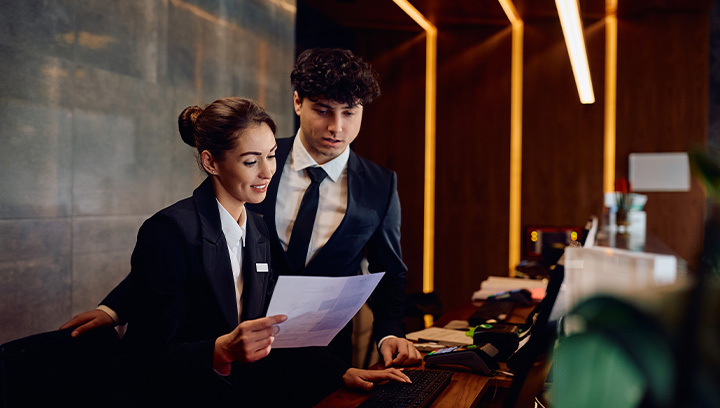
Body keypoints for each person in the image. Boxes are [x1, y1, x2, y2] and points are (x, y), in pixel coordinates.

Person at [62, 47, 422, 369]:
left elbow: (389, 269)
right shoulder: (252, 153)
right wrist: (116, 308)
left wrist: (389, 333)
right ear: (299, 103)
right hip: (230, 348)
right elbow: (185, 249)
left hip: (319, 349)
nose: (336, 127)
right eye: (323, 110)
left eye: (349, 113)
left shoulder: (379, 184)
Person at [102, 97, 410, 407]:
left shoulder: (259, 229)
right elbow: (141, 357)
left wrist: (342, 372)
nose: (267, 172)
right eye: (251, 161)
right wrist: (220, 349)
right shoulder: (169, 231)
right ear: (211, 162)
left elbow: (272, 328)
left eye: (272, 156)